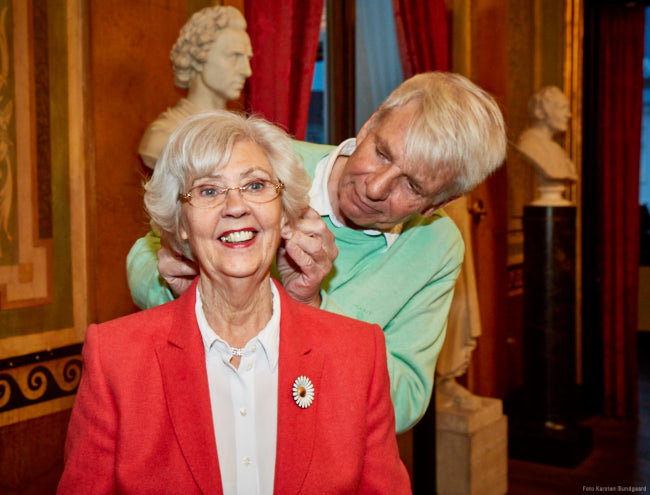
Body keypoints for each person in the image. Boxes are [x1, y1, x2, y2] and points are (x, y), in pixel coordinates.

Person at [127, 71, 508, 433]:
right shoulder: (265, 165)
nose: (376, 187)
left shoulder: (436, 245)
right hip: (200, 417)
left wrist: (311, 309)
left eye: (412, 186)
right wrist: (180, 289)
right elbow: (144, 256)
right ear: (370, 124)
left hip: (318, 450)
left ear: (440, 202)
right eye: (382, 153)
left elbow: (405, 403)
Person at [58, 111, 410, 494]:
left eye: (256, 185)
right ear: (181, 225)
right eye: (209, 191)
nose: (236, 206)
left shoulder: (357, 354)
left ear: (285, 214)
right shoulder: (116, 359)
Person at [138, 6, 252, 169]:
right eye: (235, 56)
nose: (247, 71)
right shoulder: (164, 136)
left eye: (247, 59)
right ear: (198, 56)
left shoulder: (243, 134)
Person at [516, 85, 577, 205]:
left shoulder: (557, 149)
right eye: (563, 108)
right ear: (542, 112)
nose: (569, 115)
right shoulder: (529, 145)